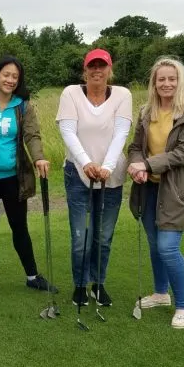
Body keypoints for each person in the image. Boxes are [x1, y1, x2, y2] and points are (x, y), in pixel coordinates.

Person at [127, 56, 184, 329]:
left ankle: (183, 306)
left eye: (172, 78)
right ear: (154, 82)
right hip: (148, 189)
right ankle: (161, 294)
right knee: (154, 244)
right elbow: (135, 147)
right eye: (161, 79)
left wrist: (148, 164)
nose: (166, 83)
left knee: (168, 247)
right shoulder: (146, 111)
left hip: (175, 190)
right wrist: (138, 166)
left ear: (180, 81)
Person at [0, 56, 55, 295]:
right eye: (6, 75)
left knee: (19, 226)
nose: (10, 80)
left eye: (15, 77)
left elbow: (32, 135)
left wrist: (38, 158)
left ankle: (32, 276)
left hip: (13, 177)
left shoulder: (23, 106)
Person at [56, 48, 132, 308]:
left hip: (111, 176)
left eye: (102, 65)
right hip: (77, 173)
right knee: (81, 239)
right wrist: (86, 162)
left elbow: (121, 133)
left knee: (103, 236)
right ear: (85, 69)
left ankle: (98, 284)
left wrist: (107, 166)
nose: (97, 70)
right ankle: (80, 285)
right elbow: (68, 131)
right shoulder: (71, 93)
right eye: (92, 65)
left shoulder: (122, 95)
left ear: (110, 69)